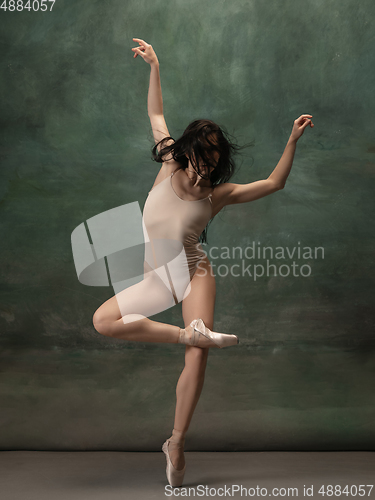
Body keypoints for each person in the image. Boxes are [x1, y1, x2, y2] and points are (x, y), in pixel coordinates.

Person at [92, 37, 314, 488]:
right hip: (157, 275)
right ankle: (187, 336)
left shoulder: (218, 195)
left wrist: (291, 140)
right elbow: (156, 115)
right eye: (201, 157)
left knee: (198, 359)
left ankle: (175, 442)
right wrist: (155, 65)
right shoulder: (168, 162)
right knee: (103, 321)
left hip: (194, 274)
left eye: (214, 161)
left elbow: (274, 183)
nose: (205, 168)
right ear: (188, 150)